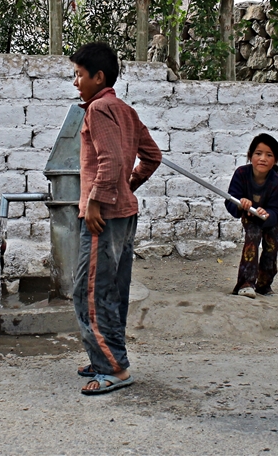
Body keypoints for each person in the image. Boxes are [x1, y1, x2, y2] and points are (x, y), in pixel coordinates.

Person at [70, 42, 162, 395]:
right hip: (123, 212)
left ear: (99, 77)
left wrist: (95, 201)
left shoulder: (99, 110)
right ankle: (104, 356)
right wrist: (128, 185)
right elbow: (151, 157)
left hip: (103, 217)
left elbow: (108, 161)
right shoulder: (125, 110)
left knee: (88, 292)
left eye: (79, 75)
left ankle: (114, 369)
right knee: (112, 290)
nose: (76, 82)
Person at [225, 133, 278, 298]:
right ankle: (245, 284)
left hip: (272, 220)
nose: (263, 158)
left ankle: (264, 286)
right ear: (250, 155)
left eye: (269, 155)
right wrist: (240, 204)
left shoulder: (277, 183)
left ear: (276, 160)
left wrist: (268, 214)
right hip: (250, 216)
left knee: (271, 249)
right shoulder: (241, 174)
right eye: (258, 153)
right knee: (252, 238)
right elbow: (230, 201)